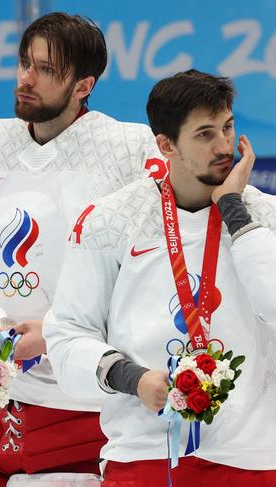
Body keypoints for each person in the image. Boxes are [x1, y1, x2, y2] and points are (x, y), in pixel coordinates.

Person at [0, 12, 168, 487]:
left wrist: (57, 334)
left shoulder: (130, 150)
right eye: (25, 63)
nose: (26, 79)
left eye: (46, 70)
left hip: (85, 405)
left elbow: (152, 271)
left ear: (84, 85)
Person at [43, 69, 276, 485]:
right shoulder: (110, 220)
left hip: (249, 458)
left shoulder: (265, 218)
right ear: (165, 145)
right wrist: (132, 380)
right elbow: (67, 335)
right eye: (205, 135)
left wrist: (235, 211)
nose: (224, 146)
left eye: (227, 127)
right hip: (144, 454)